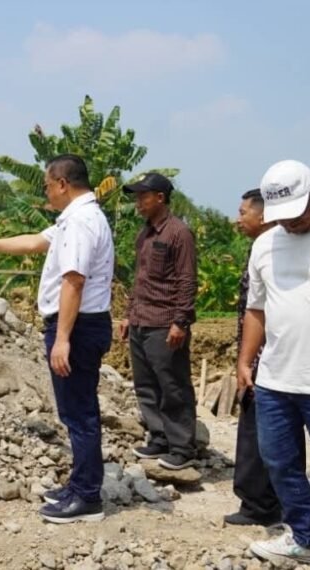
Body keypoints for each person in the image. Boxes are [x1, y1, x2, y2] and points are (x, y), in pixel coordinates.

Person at [0, 154, 114, 523]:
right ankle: (79, 486)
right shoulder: (75, 219)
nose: (45, 192)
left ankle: (88, 497)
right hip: (78, 325)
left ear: (63, 184)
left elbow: (73, 280)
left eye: (47, 185)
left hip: (77, 327)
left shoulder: (81, 222)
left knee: (79, 413)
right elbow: (33, 242)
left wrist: (62, 339)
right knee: (75, 410)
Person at [239, 160, 310, 565]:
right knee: (280, 462)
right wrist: (245, 361)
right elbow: (256, 310)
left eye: (296, 215)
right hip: (276, 379)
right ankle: (306, 538)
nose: (289, 224)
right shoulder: (265, 243)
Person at [119, 173, 198, 470]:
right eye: (136, 196)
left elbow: (187, 281)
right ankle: (159, 437)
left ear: (160, 198)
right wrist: (128, 315)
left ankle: (182, 447)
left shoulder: (179, 233)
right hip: (141, 320)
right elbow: (139, 280)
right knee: (146, 385)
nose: (138, 202)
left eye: (143, 196)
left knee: (173, 385)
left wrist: (180, 322)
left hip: (165, 323)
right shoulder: (145, 234)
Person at [224, 189, 289, 526]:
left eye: (243, 212)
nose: (238, 219)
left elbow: (259, 312)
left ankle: (260, 505)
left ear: (263, 216)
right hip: (259, 357)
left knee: (259, 432)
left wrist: (248, 360)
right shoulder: (264, 249)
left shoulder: (276, 252)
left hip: (267, 360)